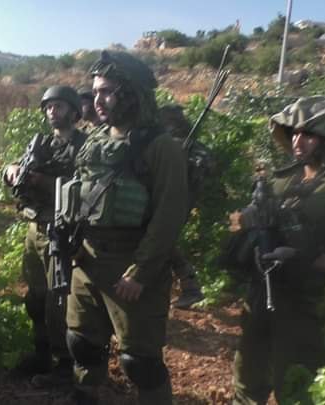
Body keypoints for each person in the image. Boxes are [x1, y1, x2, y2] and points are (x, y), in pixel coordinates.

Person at [229, 96, 325, 404]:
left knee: (296, 392)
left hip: (306, 310)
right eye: (295, 132)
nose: (297, 141)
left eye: (308, 134)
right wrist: (246, 222)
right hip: (261, 297)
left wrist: (304, 258)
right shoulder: (283, 181)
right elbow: (245, 221)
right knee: (247, 383)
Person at [64, 51, 187, 404]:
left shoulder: (161, 147)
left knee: (140, 363)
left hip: (130, 266)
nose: (97, 100)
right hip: (86, 260)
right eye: (95, 92)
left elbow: (168, 216)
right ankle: (85, 395)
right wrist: (71, 243)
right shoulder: (95, 141)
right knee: (82, 343)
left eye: (106, 91)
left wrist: (141, 271)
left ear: (131, 93)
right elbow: (80, 193)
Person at [4, 86, 87, 386]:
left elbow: (85, 189)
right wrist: (11, 171)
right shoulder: (42, 144)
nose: (53, 111)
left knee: (58, 302)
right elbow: (15, 168)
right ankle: (42, 354)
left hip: (61, 231)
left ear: (74, 112)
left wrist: (45, 181)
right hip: (34, 228)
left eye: (59, 106)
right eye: (49, 106)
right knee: (35, 298)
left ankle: (64, 363)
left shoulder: (84, 147)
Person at [157, 104, 205, 309]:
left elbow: (206, 164)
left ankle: (190, 286)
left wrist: (184, 158)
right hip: (165, 198)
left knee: (162, 240)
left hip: (179, 200)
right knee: (162, 242)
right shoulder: (166, 143)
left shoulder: (191, 145)